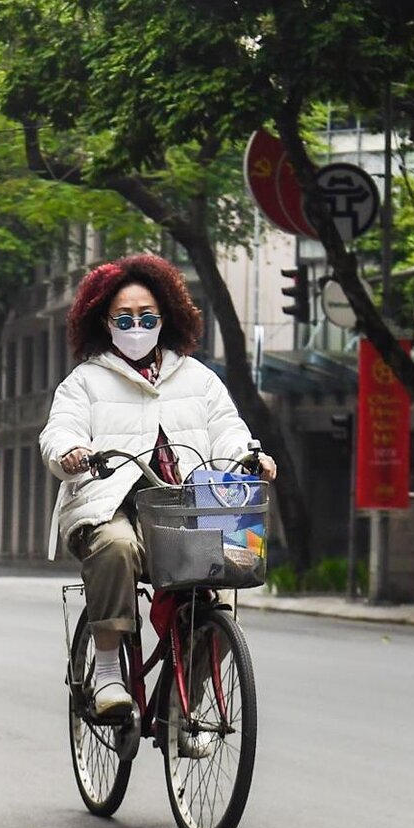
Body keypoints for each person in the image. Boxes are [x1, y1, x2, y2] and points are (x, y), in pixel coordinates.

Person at [39, 254, 277, 719]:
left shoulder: (198, 377)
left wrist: (249, 455)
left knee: (229, 574)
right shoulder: (85, 381)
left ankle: (186, 699)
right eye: (124, 318)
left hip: (188, 510)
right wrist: (70, 452)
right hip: (110, 505)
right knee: (116, 547)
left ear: (166, 317)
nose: (136, 325)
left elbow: (227, 429)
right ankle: (108, 668)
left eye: (147, 317)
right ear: (103, 321)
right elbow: (59, 431)